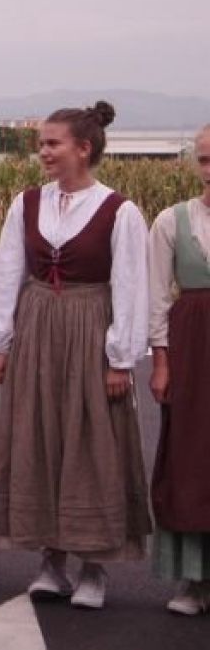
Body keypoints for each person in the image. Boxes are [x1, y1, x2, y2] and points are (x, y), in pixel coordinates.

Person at [0, 101, 152, 610]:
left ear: (83, 148)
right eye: (42, 143)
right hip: (39, 325)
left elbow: (130, 284)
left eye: (52, 143)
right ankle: (51, 562)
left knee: (91, 442)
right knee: (40, 436)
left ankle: (93, 567)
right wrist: (0, 340)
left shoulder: (118, 211)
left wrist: (120, 358)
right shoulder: (27, 204)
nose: (43, 152)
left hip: (90, 328)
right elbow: (8, 271)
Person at [146, 123, 210, 616]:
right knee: (191, 456)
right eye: (205, 160)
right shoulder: (172, 220)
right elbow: (155, 296)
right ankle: (194, 578)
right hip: (194, 343)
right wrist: (162, 362)